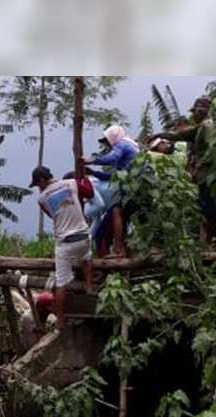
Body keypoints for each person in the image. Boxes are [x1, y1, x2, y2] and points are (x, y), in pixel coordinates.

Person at [29, 165, 93, 330]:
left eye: (38, 184)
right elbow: (89, 193)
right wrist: (84, 178)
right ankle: (88, 285)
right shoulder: (72, 183)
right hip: (83, 235)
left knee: (61, 283)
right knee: (86, 258)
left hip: (65, 242)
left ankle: (61, 320)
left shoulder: (42, 199)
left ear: (43, 180)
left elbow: (53, 215)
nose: (38, 188)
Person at [152, 95, 216, 244]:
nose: (192, 115)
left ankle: (211, 242)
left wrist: (199, 166)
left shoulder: (208, 126)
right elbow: (178, 135)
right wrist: (159, 135)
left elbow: (213, 149)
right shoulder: (200, 127)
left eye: (194, 112)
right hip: (205, 176)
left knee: (209, 210)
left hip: (209, 176)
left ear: (201, 111)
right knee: (205, 209)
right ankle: (207, 242)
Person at [83, 125, 140, 256]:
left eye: (107, 140)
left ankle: (118, 248)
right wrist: (94, 173)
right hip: (133, 188)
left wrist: (92, 161)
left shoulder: (121, 144)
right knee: (120, 216)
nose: (108, 144)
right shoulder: (131, 146)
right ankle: (121, 247)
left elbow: (112, 158)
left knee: (116, 211)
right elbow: (114, 176)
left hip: (131, 189)